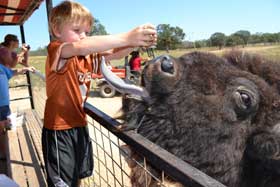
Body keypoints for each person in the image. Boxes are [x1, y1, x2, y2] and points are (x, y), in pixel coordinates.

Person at [42, 1, 157, 187]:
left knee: (77, 175)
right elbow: (81, 47)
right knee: (62, 182)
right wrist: (127, 36)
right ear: (56, 29)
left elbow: (114, 54)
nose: (83, 37)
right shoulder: (58, 49)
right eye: (77, 30)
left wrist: (136, 42)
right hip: (59, 129)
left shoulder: (86, 57)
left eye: (86, 32)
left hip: (79, 124)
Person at [0, 34, 35, 159]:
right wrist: (21, 53)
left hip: (3, 100)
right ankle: (5, 153)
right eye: (17, 41)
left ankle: (5, 152)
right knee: (3, 125)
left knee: (5, 124)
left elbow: (22, 63)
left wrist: (25, 53)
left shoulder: (10, 55)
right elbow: (12, 63)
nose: (19, 43)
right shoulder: (3, 50)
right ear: (11, 42)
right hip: (2, 101)